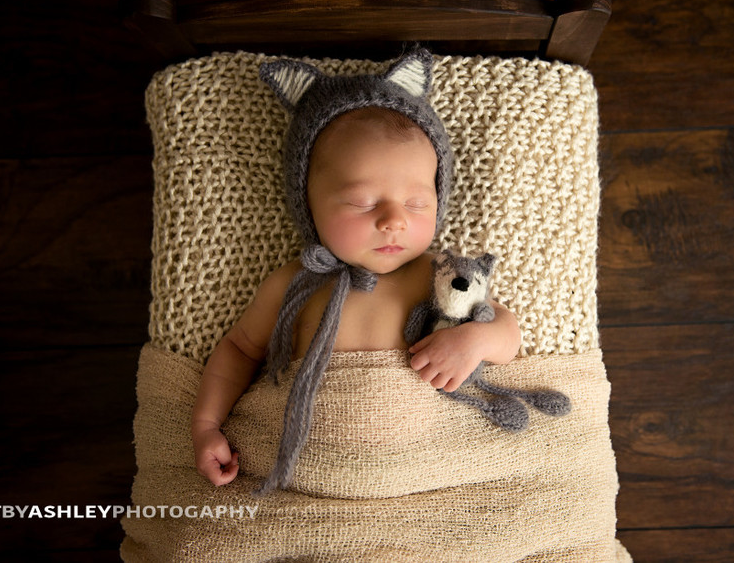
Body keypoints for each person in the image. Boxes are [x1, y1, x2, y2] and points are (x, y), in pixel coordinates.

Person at [190, 50, 521, 491]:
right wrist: (207, 424)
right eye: (363, 202)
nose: (394, 220)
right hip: (309, 474)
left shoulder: (438, 274)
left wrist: (475, 340)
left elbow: (507, 332)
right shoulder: (296, 283)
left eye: (416, 203)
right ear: (309, 205)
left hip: (426, 468)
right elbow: (240, 349)